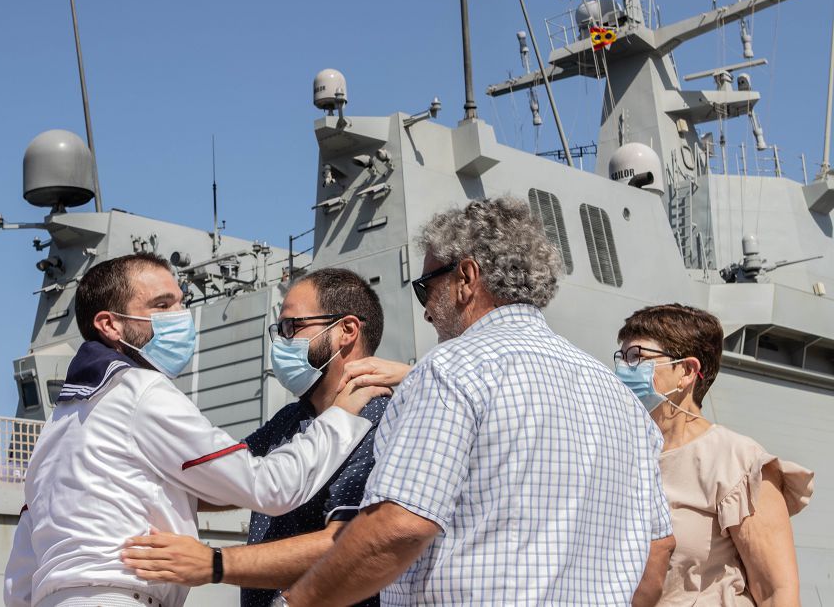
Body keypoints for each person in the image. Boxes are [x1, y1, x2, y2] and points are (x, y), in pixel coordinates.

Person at [283, 197, 675, 606]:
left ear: (466, 277)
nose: (426, 312)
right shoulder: (622, 400)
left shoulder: (451, 369)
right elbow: (658, 549)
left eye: (425, 288)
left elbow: (400, 527)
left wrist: (297, 602)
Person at [3, 253, 390, 607]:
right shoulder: (141, 392)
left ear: (348, 331)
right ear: (109, 324)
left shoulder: (59, 425)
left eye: (180, 302)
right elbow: (266, 484)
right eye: (162, 305)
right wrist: (343, 415)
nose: (180, 316)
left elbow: (21, 574)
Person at [120, 268, 411, 607]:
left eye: (292, 327)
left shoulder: (379, 418)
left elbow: (348, 543)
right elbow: (226, 481)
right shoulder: (291, 420)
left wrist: (214, 563)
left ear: (346, 330)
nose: (282, 342)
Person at [615, 303, 814, 606]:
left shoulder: (737, 461)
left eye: (637, 358)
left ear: (686, 371)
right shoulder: (622, 451)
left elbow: (777, 592)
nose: (622, 370)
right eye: (622, 357)